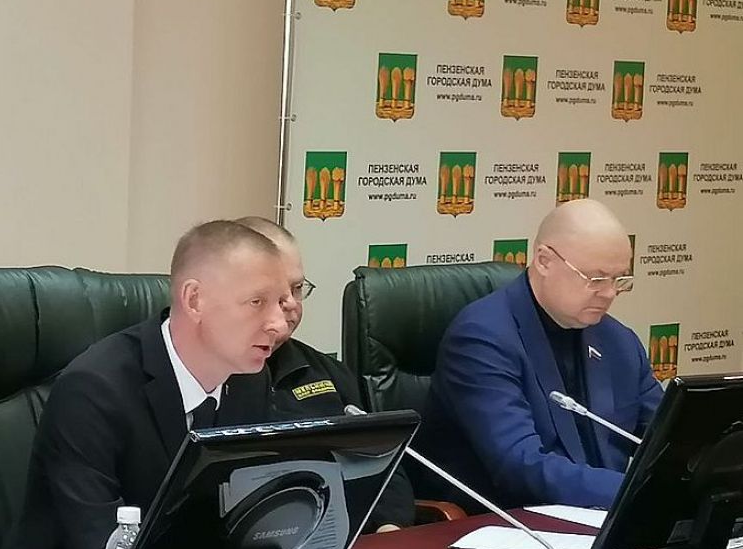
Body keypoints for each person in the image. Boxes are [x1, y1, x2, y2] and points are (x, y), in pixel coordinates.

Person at [0, 221, 293, 549]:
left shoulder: (251, 381)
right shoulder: (93, 390)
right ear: (194, 299)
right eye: (257, 302)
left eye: (281, 303)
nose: (278, 324)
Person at [417, 199, 662, 510]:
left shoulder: (619, 341)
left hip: (602, 518)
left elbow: (668, 439)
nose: (609, 293)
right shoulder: (481, 338)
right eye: (596, 279)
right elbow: (521, 467)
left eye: (620, 280)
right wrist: (638, 491)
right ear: (544, 261)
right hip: (509, 521)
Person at [236, 217, 414, 531]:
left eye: (296, 289)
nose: (290, 304)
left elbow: (384, 469)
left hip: (341, 544)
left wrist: (388, 528)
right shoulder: (207, 379)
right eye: (272, 293)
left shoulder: (326, 372)